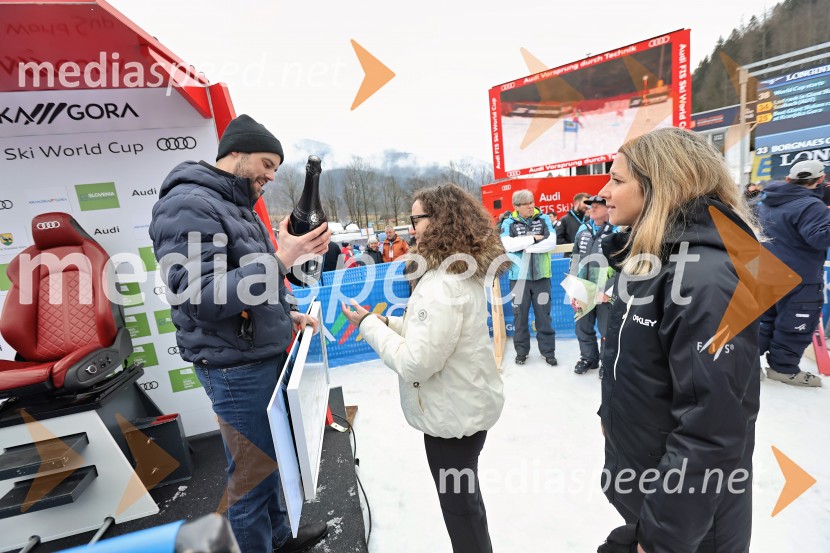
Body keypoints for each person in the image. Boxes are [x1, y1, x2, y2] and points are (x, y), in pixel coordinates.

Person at [149, 114, 331, 553]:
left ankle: (279, 539)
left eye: (276, 167)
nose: (272, 175)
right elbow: (201, 297)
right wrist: (282, 258)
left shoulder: (238, 205)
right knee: (252, 477)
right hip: (234, 369)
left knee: (273, 462)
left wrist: (286, 314)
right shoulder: (188, 204)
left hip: (258, 356)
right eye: (267, 164)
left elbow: (251, 283)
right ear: (237, 153)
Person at [596, 127, 760, 553]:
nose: (604, 191)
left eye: (617, 180)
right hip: (652, 493)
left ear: (659, 184)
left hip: (691, 527)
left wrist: (661, 538)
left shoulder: (706, 278)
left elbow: (711, 429)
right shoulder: (651, 260)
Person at [340, 183, 508, 553]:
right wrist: (386, 322)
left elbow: (415, 363)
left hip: (453, 420)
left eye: (416, 219)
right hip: (462, 409)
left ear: (441, 219)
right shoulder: (457, 270)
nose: (410, 227)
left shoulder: (441, 284)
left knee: (461, 512)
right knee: (466, 506)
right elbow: (436, 337)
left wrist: (368, 326)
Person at [757, 159, 827, 387]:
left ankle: (746, 364)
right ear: (821, 179)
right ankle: (783, 369)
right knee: (795, 325)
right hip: (800, 277)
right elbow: (819, 238)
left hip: (766, 273)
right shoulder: (811, 206)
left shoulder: (766, 201)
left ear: (788, 179)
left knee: (763, 321)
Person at [500, 190, 558, 365]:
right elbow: (508, 245)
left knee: (544, 316)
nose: (531, 206)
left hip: (542, 278)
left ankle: (548, 352)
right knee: (520, 317)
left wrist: (526, 247)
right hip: (518, 279)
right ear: (516, 206)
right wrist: (534, 238)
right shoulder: (508, 222)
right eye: (526, 204)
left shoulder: (544, 218)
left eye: (532, 202)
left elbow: (551, 242)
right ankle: (521, 352)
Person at [569, 195, 618, 376]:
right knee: (582, 327)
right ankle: (588, 358)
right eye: (590, 205)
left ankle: (607, 362)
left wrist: (608, 291)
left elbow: (621, 265)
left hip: (605, 291)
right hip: (583, 288)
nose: (592, 208)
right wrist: (573, 286)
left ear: (608, 208)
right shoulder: (583, 229)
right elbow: (574, 257)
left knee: (607, 329)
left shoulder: (617, 231)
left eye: (597, 205)